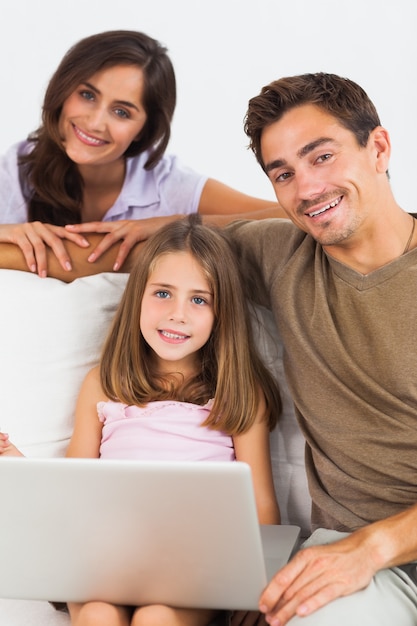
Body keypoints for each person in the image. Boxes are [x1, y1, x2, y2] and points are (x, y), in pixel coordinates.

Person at [0, 215, 281, 626]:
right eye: (163, 293)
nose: (178, 314)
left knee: (156, 618)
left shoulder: (238, 392)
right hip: (102, 556)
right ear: (138, 298)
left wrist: (259, 583)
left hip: (194, 560)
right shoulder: (103, 384)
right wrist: (17, 461)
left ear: (222, 314)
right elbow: (75, 488)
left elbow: (261, 502)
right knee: (97, 614)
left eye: (199, 299)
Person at [221, 72, 417, 625]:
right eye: (283, 174)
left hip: (371, 552)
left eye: (322, 157)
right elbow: (153, 250)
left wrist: (374, 547)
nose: (305, 189)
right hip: (352, 562)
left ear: (377, 147)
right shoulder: (279, 256)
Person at [0, 29, 284, 279]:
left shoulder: (168, 185)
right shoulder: (16, 168)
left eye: (121, 112)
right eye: (87, 95)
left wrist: (177, 224)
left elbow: (286, 215)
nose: (95, 122)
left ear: (143, 129)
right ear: (62, 90)